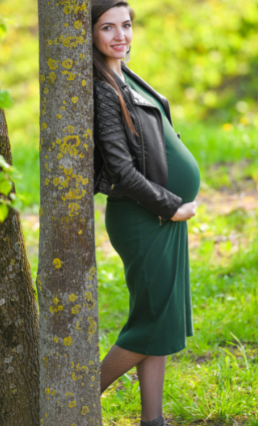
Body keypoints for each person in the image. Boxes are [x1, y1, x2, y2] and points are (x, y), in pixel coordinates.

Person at [91, 1, 201, 425]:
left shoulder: (121, 71)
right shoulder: (101, 88)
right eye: (107, 28)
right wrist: (171, 206)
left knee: (155, 323)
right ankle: (74, 399)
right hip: (144, 219)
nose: (121, 36)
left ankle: (152, 421)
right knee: (151, 325)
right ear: (90, 35)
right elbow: (120, 168)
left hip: (159, 218)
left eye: (126, 25)